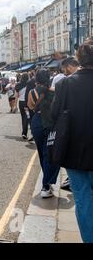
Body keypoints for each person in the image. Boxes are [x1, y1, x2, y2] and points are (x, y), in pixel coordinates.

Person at [51, 42, 93, 243]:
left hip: (74, 150)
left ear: (79, 60)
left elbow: (54, 115)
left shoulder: (64, 84)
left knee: (83, 199)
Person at [28, 69, 59, 199]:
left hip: (37, 123)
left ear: (36, 79)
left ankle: (46, 183)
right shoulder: (55, 91)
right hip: (51, 124)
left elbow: (30, 107)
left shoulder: (32, 92)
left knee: (42, 152)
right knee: (51, 153)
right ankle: (46, 185)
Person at [53, 57, 80, 191]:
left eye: (64, 69)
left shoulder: (63, 84)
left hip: (73, 141)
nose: (64, 72)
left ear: (69, 66)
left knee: (80, 193)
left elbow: (55, 112)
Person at [15, 73, 31, 140]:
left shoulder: (18, 84)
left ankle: (24, 133)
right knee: (27, 117)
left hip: (21, 103)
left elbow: (16, 96)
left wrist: (15, 105)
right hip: (27, 103)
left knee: (23, 117)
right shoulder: (29, 84)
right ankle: (26, 133)